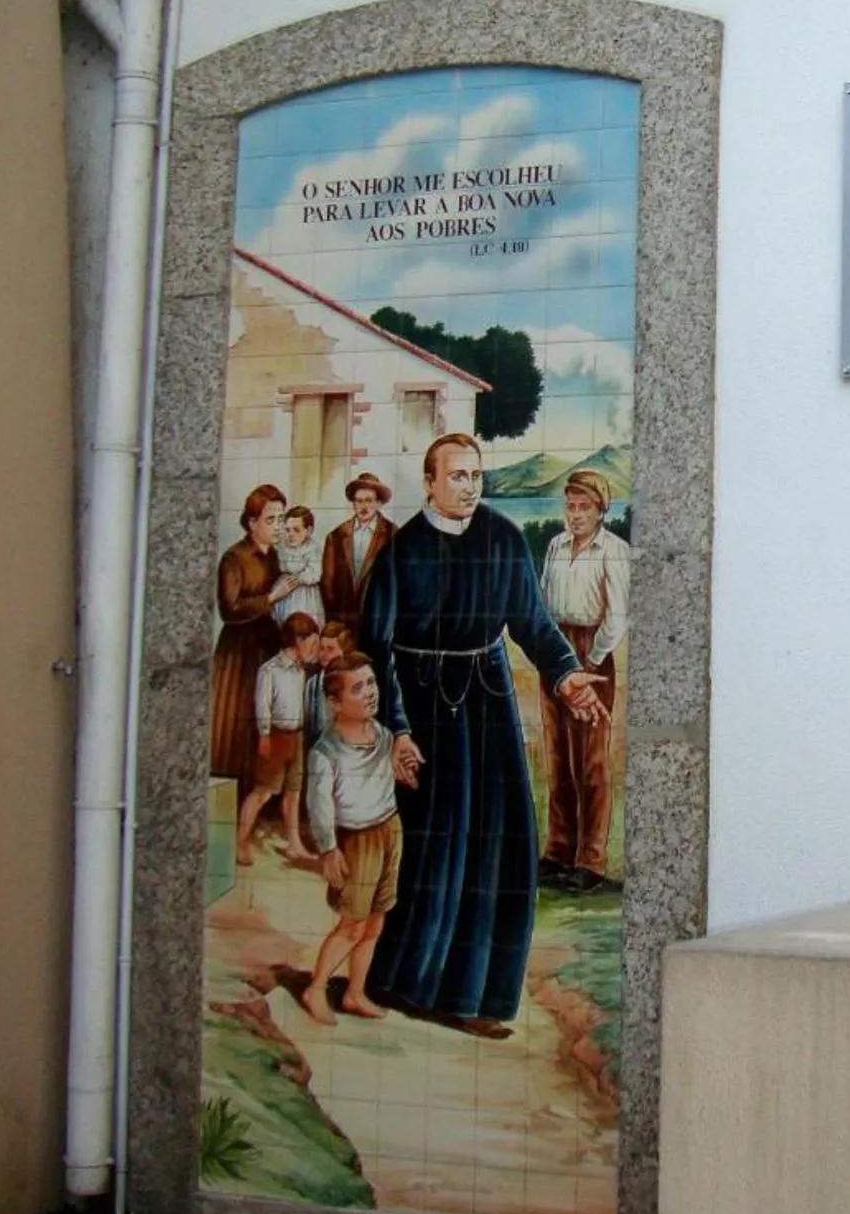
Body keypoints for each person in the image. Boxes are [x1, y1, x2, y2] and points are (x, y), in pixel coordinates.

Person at [359, 433, 607, 1037]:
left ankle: (478, 996)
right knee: (434, 847)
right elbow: (374, 649)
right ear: (430, 482)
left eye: (476, 475)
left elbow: (532, 621)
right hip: (422, 707)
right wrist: (395, 729)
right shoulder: (401, 552)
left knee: (504, 841)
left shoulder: (501, 538)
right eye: (458, 476)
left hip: (487, 698)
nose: (470, 486)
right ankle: (405, 982)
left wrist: (567, 676)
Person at [537, 468, 631, 894]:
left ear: (600, 511)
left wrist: (590, 663)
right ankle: (558, 850)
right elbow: (542, 598)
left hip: (591, 653)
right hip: (556, 649)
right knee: (557, 754)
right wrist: (550, 654)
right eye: (570, 506)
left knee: (590, 759)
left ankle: (590, 859)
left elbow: (616, 617)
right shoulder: (556, 546)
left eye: (584, 508)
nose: (575, 515)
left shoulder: (613, 550)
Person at [301, 654, 407, 1025]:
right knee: (351, 924)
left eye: (372, 683)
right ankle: (315, 988)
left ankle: (354, 992)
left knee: (376, 922)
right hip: (355, 840)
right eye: (358, 688)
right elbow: (319, 806)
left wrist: (401, 772)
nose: (370, 694)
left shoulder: (383, 735)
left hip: (388, 830)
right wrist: (329, 849)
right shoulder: (325, 752)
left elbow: (388, 775)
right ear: (334, 702)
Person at [210, 484, 299, 790]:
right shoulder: (234, 558)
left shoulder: (274, 556)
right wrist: (271, 597)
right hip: (240, 652)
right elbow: (230, 608)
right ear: (252, 522)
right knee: (241, 726)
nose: (277, 526)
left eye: (280, 519)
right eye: (271, 520)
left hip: (267, 644)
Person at [238, 612, 323, 865]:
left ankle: (295, 845)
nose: (313, 647)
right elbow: (262, 706)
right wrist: (264, 735)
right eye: (311, 641)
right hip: (276, 736)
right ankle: (240, 840)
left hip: (296, 737)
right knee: (262, 792)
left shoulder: (300, 672)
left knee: (293, 794)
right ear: (297, 639)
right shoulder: (270, 670)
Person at [320, 472, 394, 627]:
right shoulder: (336, 537)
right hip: (343, 625)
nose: (364, 507)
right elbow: (327, 586)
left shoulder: (393, 535)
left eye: (369, 500)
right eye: (359, 501)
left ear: (379, 503)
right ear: (353, 503)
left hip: (378, 624)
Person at [272, 505, 322, 625]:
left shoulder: (312, 548)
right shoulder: (281, 546)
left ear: (308, 530)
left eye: (296, 530)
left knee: (302, 622)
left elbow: (315, 573)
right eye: (288, 530)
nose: (291, 534)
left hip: (304, 593)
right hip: (283, 590)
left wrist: (299, 578)